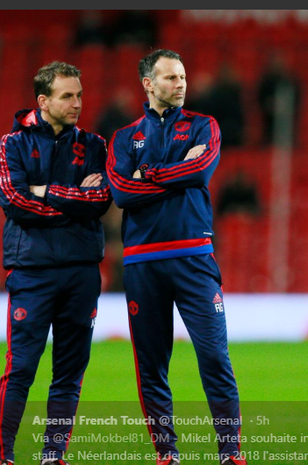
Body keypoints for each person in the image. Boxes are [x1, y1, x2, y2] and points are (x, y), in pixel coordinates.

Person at [106, 49, 246, 465]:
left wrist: (147, 173)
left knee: (215, 357)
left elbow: (200, 171)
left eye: (182, 76)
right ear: (148, 84)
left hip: (194, 258)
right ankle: (167, 454)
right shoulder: (124, 138)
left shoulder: (205, 125)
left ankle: (230, 454)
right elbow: (120, 193)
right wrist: (173, 174)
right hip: (142, 262)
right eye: (170, 78)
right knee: (151, 366)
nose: (180, 83)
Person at [0, 61, 112, 465]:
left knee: (69, 374)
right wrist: (71, 202)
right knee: (21, 368)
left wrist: (46, 192)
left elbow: (100, 201)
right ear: (43, 101)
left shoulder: (95, 145)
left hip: (81, 273)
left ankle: (52, 457)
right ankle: (4, 457)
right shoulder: (12, 144)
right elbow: (14, 201)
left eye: (79, 94)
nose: (77, 102)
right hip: (32, 272)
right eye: (67, 96)